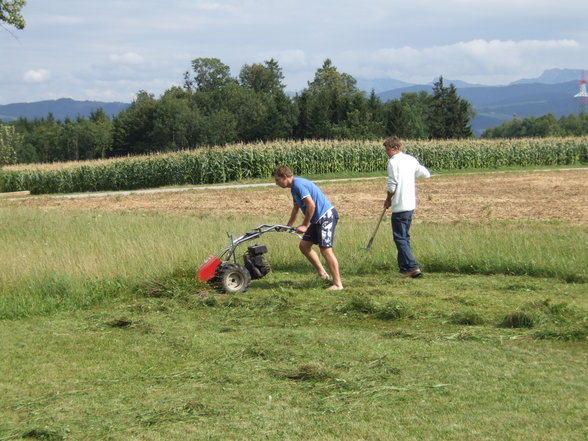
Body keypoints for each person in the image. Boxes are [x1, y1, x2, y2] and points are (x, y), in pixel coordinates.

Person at [272, 165, 343, 290]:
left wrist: (304, 225)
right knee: (304, 246)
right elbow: (295, 210)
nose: (276, 183)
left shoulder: (299, 185)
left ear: (285, 177)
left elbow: (311, 205)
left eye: (277, 180)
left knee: (326, 250)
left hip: (326, 216)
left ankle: (338, 284)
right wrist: (287, 226)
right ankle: (322, 274)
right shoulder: (293, 189)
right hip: (317, 220)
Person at [383, 136, 431, 278]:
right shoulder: (411, 160)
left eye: (388, 150)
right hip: (411, 205)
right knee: (405, 236)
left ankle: (412, 267)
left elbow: (392, 185)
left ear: (396, 148)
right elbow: (426, 174)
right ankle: (404, 267)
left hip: (400, 205)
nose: (387, 153)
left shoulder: (393, 162)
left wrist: (388, 199)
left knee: (400, 238)